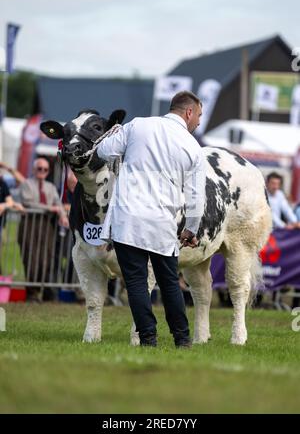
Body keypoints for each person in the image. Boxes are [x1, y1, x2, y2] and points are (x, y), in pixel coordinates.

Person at [96, 91, 206, 348]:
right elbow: (196, 197)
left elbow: (103, 150)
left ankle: (148, 338)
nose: (199, 122)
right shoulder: (193, 147)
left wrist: (118, 137)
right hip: (162, 222)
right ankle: (182, 339)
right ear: (188, 112)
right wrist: (191, 229)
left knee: (135, 282)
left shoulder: (138, 125)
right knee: (169, 283)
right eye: (199, 115)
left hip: (128, 218)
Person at [18, 158, 69, 301]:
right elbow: (28, 203)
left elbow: (58, 204)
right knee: (31, 260)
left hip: (46, 226)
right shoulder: (26, 184)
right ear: (34, 170)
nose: (42, 172)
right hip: (30, 225)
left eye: (45, 169)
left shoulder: (50, 187)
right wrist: (50, 208)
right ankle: (32, 294)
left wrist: (63, 215)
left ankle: (45, 292)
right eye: (39, 169)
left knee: (46, 260)